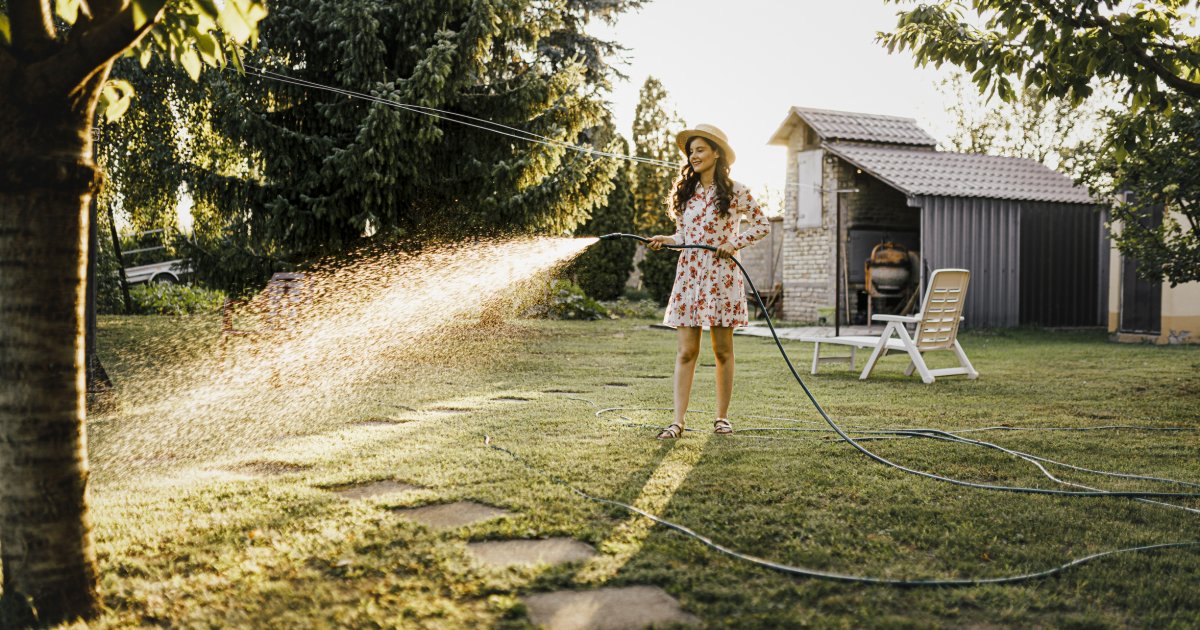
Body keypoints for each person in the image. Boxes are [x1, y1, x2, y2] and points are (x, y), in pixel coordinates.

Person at [647, 124, 769, 440]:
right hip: (689, 277)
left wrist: (735, 242)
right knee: (686, 351)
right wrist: (668, 239)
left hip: (722, 277)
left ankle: (722, 418)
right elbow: (685, 236)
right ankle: (677, 422)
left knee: (722, 351)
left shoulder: (736, 191)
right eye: (691, 151)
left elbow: (762, 225)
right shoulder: (685, 195)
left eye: (700, 149)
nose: (694, 155)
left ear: (717, 153)